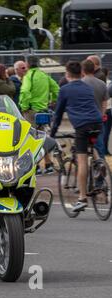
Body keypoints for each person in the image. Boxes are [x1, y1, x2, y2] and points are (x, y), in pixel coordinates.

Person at [50, 61, 103, 212]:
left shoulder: (65, 89)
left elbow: (58, 114)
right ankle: (99, 164)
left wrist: (53, 133)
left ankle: (82, 197)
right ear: (81, 73)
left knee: (82, 161)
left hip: (81, 125)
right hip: (97, 122)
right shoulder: (87, 86)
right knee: (91, 145)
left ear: (67, 74)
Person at [19, 56, 60, 174]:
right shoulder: (44, 76)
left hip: (31, 112)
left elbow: (25, 91)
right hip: (43, 111)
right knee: (43, 137)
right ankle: (48, 165)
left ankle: (35, 166)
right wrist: (53, 100)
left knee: (31, 139)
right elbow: (57, 89)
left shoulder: (28, 76)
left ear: (27, 64)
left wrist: (24, 106)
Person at [82, 59, 109, 159]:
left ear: (82, 70)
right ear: (94, 69)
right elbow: (105, 102)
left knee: (82, 146)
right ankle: (101, 163)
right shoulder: (101, 84)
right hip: (97, 118)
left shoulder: (80, 84)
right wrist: (102, 114)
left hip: (84, 119)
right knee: (99, 142)